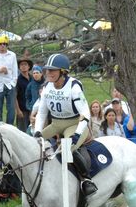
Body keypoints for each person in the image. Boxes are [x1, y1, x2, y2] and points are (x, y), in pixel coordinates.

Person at [33, 53, 97, 196]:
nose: (48, 73)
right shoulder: (46, 87)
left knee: (68, 148)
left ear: (63, 72)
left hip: (75, 124)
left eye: (52, 70)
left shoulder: (74, 87)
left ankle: (86, 180)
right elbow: (42, 113)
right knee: (33, 144)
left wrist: (77, 134)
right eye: (47, 70)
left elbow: (85, 114)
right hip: (56, 123)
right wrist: (37, 132)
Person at [16, 56, 33, 132]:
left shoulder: (33, 78)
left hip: (33, 109)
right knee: (22, 132)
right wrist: (18, 110)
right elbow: (14, 96)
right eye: (21, 65)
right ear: (19, 67)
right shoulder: (17, 80)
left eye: (25, 64)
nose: (23, 66)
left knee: (33, 130)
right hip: (22, 110)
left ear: (29, 66)